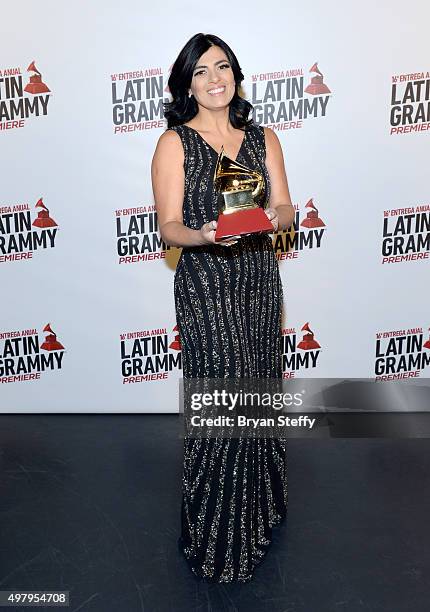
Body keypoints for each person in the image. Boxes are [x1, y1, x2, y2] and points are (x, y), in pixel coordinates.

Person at [151, 33, 295, 582]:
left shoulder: (264, 138)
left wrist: (273, 219)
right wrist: (205, 234)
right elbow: (168, 226)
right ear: (186, 84)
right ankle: (215, 533)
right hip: (207, 281)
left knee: (256, 390)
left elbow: (284, 206)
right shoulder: (174, 144)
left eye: (224, 67)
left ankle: (258, 512)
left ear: (235, 74)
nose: (216, 79)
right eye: (202, 71)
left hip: (259, 277)